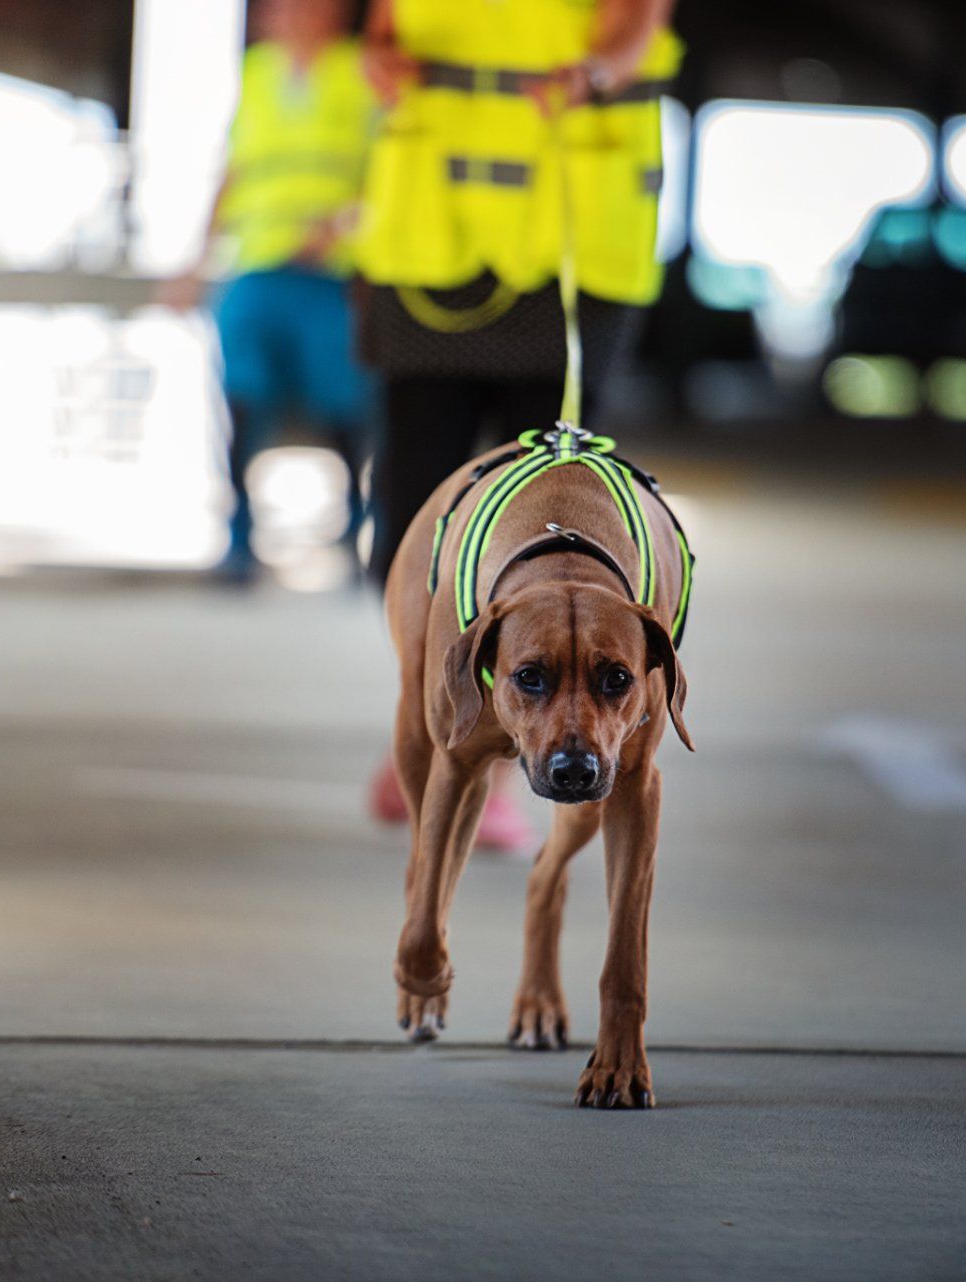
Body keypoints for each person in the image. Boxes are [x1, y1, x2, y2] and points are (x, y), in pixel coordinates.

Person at [355, 0, 682, 850]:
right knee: (410, 521)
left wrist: (597, 74)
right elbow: (381, 30)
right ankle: (424, 722)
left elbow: (641, 27)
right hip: (433, 237)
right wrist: (375, 58)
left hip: (571, 232)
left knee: (547, 526)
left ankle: (495, 761)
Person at [161, 0, 377, 585]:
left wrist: (343, 226)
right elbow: (233, 171)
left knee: (345, 401)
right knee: (240, 393)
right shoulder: (256, 74)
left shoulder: (360, 71)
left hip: (332, 269)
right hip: (257, 261)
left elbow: (386, 167)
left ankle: (356, 525)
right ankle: (239, 534)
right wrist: (196, 261)